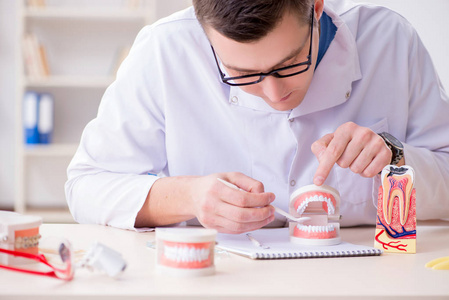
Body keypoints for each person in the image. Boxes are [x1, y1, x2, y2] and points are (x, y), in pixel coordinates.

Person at [65, 0, 449, 234]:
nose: (274, 94)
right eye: (242, 73)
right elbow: (86, 186)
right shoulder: (165, 49)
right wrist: (189, 196)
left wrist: (394, 158)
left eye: (290, 64)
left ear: (315, 7)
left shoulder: (389, 40)